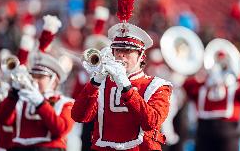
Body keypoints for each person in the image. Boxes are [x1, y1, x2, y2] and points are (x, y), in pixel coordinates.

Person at [71, 22, 173, 151]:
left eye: (128, 50)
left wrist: (125, 85)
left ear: (141, 56)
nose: (121, 55)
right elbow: (79, 116)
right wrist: (95, 81)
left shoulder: (157, 86)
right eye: (117, 50)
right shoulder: (102, 83)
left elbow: (151, 122)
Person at [0, 52, 75, 151]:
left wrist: (40, 103)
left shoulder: (65, 103)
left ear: (54, 81)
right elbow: (1, 119)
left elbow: (61, 129)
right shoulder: (21, 100)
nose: (35, 80)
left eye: (40, 77)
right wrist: (13, 94)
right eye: (33, 76)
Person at [182, 48, 240, 151]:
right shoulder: (202, 86)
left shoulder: (235, 88)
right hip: (204, 135)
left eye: (223, 64)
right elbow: (186, 86)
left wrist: (236, 73)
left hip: (229, 135)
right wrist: (202, 73)